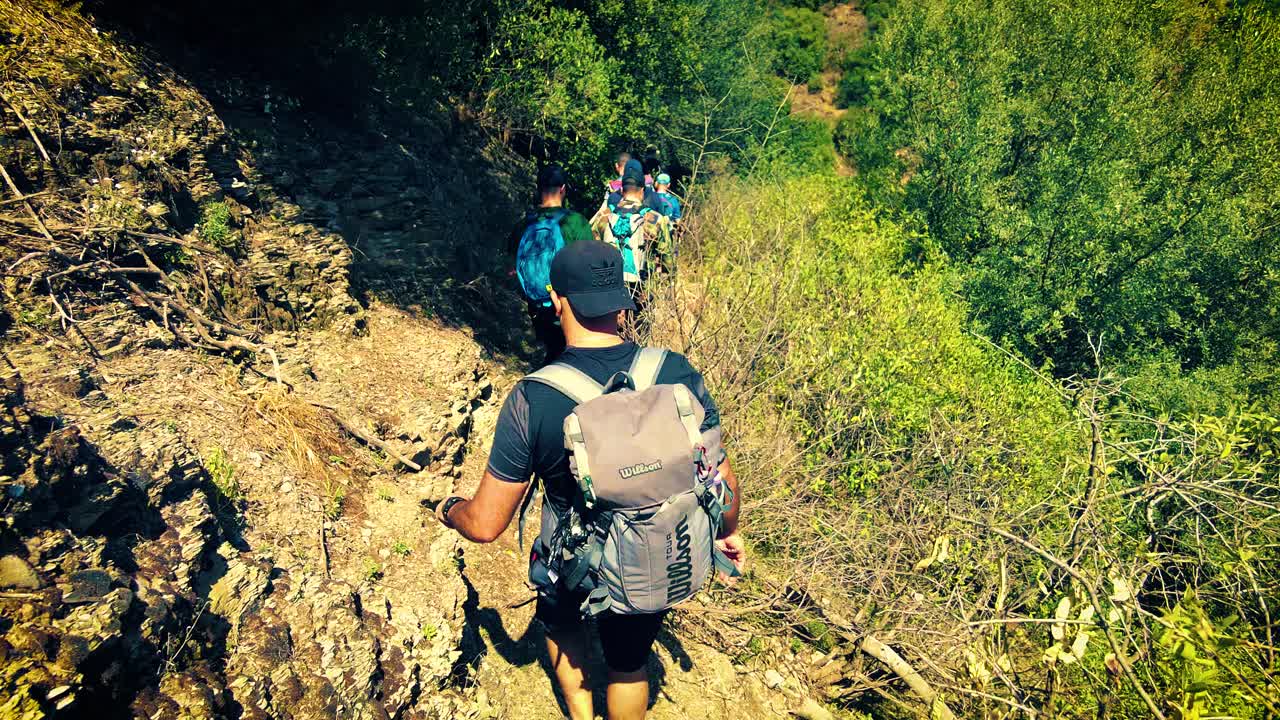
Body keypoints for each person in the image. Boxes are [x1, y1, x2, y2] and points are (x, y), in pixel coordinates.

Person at [434, 240, 745, 720]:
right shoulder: (677, 372)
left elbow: (485, 525)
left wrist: (448, 509)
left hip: (571, 563)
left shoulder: (533, 397)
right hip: (651, 554)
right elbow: (718, 474)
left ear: (557, 299)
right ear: (621, 299)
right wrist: (726, 530)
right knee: (629, 661)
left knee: (561, 627)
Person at [509, 164, 594, 366]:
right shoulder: (575, 221)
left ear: (539, 188)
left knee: (549, 352)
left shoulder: (524, 225)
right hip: (568, 307)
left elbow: (513, 266)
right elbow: (589, 266)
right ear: (563, 188)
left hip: (536, 304)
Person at [591, 160, 673, 338]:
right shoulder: (655, 219)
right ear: (642, 190)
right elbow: (667, 258)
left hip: (608, 287)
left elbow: (589, 247)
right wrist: (666, 283)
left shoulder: (603, 216)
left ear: (621, 190)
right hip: (641, 289)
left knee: (610, 337)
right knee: (638, 336)